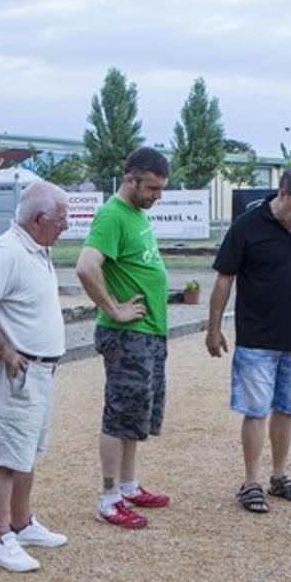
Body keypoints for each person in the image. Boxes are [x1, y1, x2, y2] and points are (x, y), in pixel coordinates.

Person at [206, 167, 291, 513]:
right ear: (282, 193)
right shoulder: (247, 227)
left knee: (287, 409)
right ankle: (251, 483)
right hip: (257, 339)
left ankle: (279, 477)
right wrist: (213, 328)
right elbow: (223, 281)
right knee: (255, 410)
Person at [0, 181, 70, 573]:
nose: (67, 225)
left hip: (41, 369)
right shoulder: (9, 251)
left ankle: (22, 524)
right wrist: (5, 347)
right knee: (6, 457)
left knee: (25, 453)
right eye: (61, 218)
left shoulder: (37, 249)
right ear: (39, 219)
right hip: (19, 371)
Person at [74, 147, 173, 530]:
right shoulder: (112, 215)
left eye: (161, 189)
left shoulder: (135, 214)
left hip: (147, 335)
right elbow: (86, 266)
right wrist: (114, 308)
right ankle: (109, 497)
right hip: (127, 335)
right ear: (130, 178)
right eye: (151, 188)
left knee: (136, 412)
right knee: (119, 414)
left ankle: (129, 487)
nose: (157, 196)